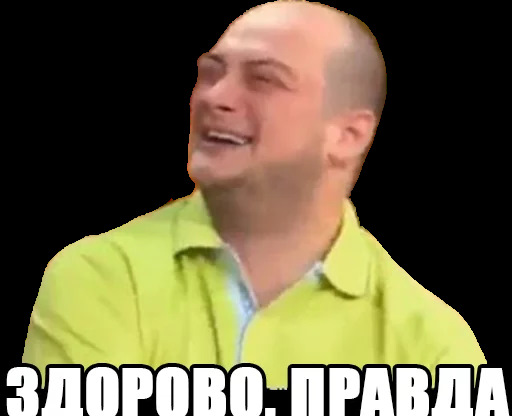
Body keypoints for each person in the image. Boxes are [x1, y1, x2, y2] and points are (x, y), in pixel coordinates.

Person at [23, 0, 485, 389]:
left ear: (348, 135)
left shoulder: (433, 344)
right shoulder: (99, 276)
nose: (214, 97)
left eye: (263, 79)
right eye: (211, 73)